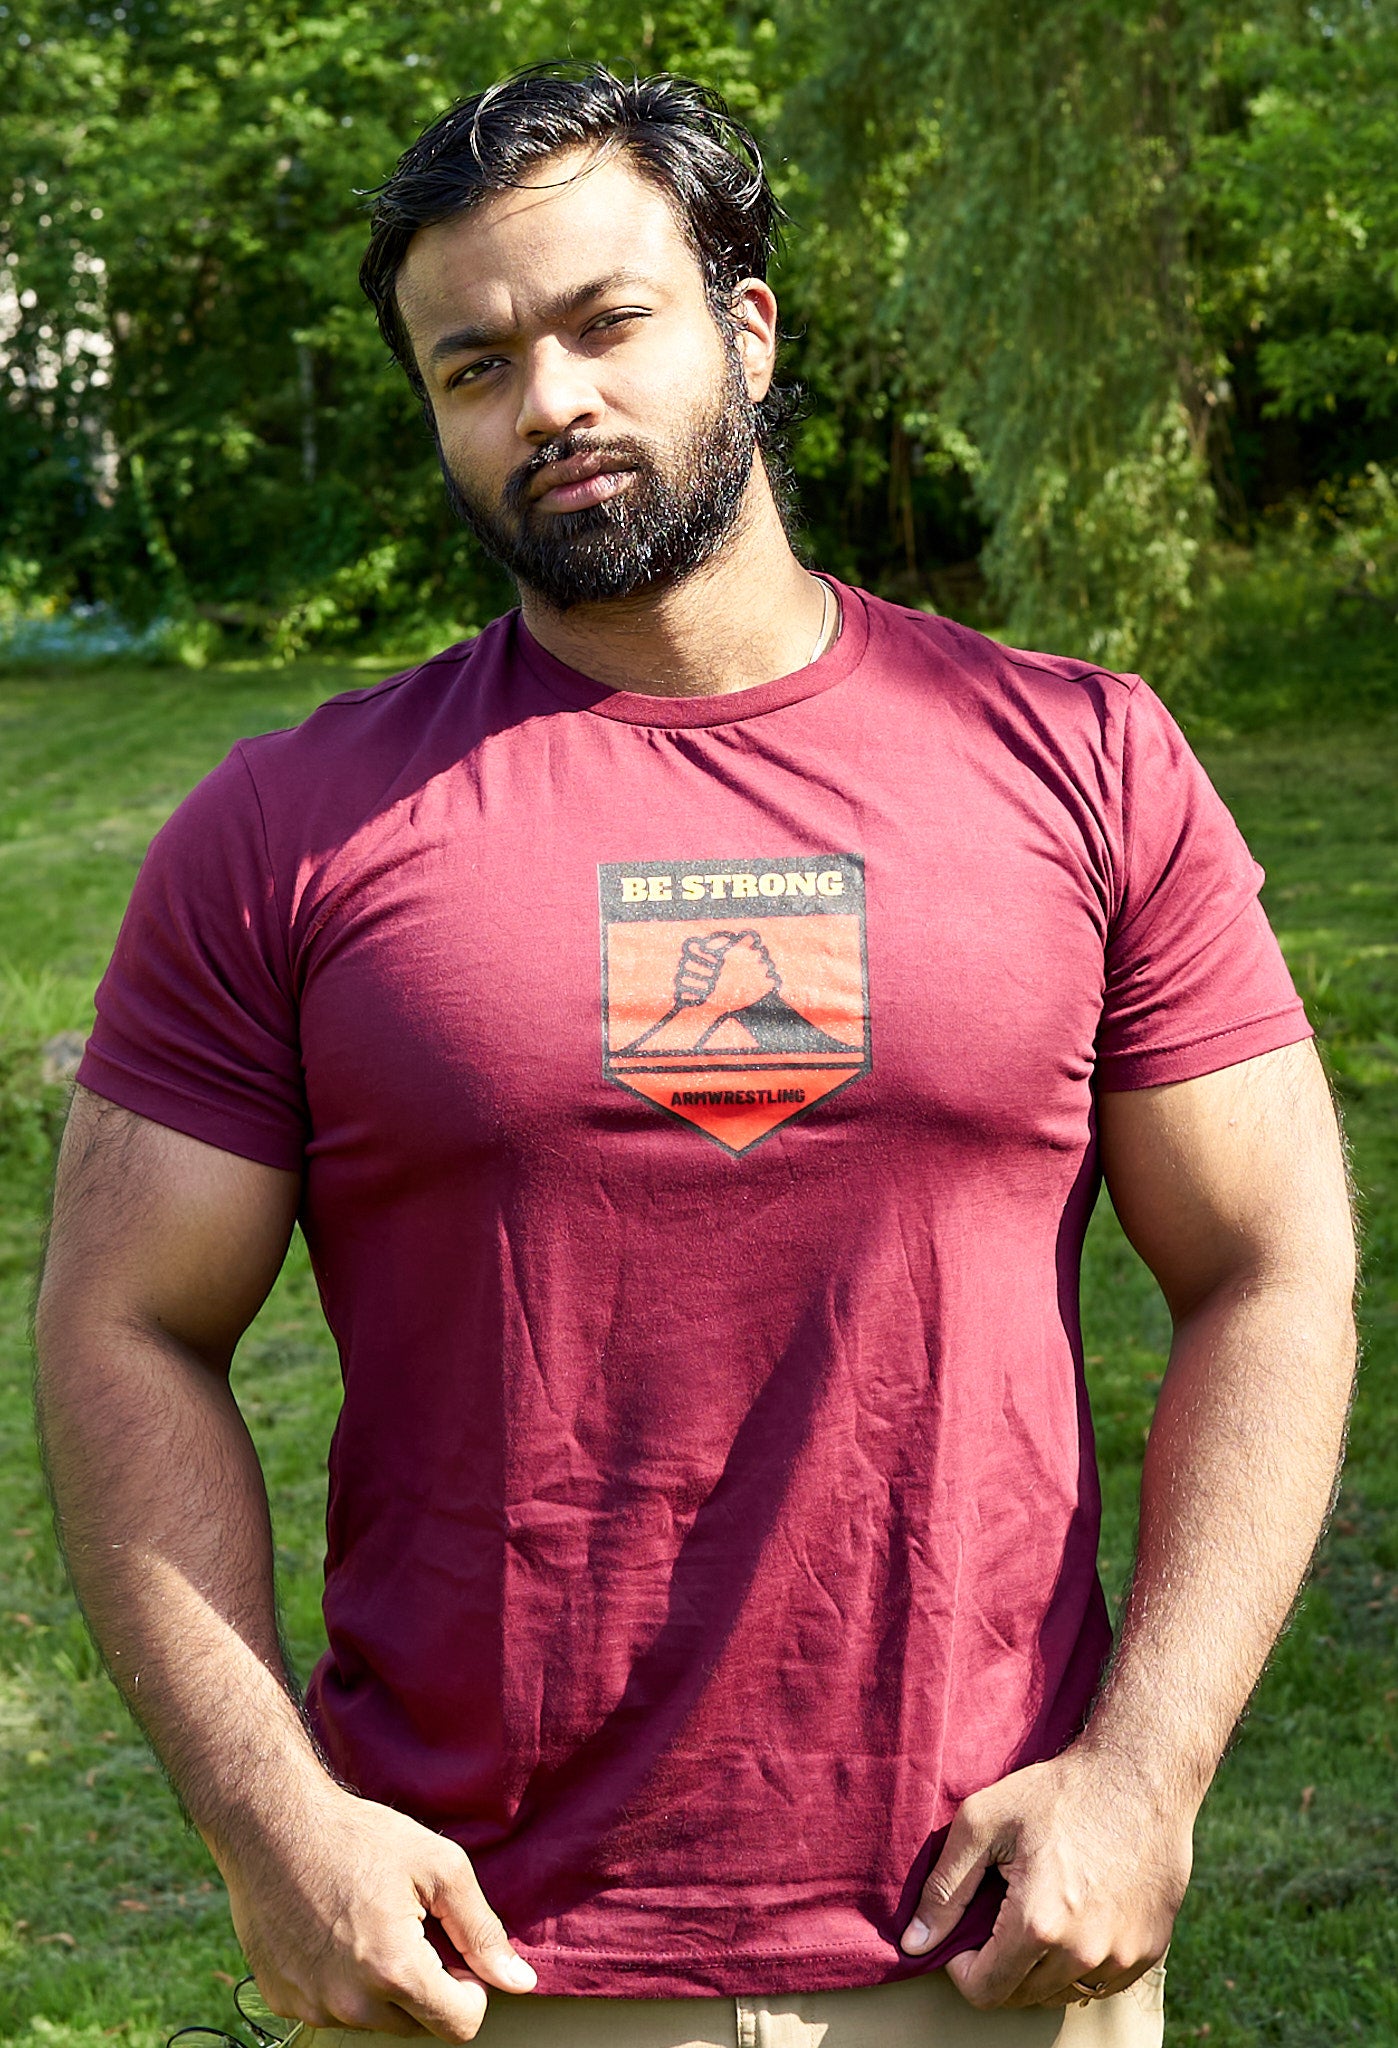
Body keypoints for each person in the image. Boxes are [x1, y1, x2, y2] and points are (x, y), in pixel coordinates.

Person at [34, 63, 1356, 2048]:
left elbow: (1273, 1265)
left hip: (993, 1933)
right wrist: (268, 1818)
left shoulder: (1084, 759)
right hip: (483, 1965)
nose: (546, 401)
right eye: (474, 365)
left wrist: (1147, 1772)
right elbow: (123, 1320)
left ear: (747, 328)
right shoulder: (286, 831)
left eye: (604, 323)